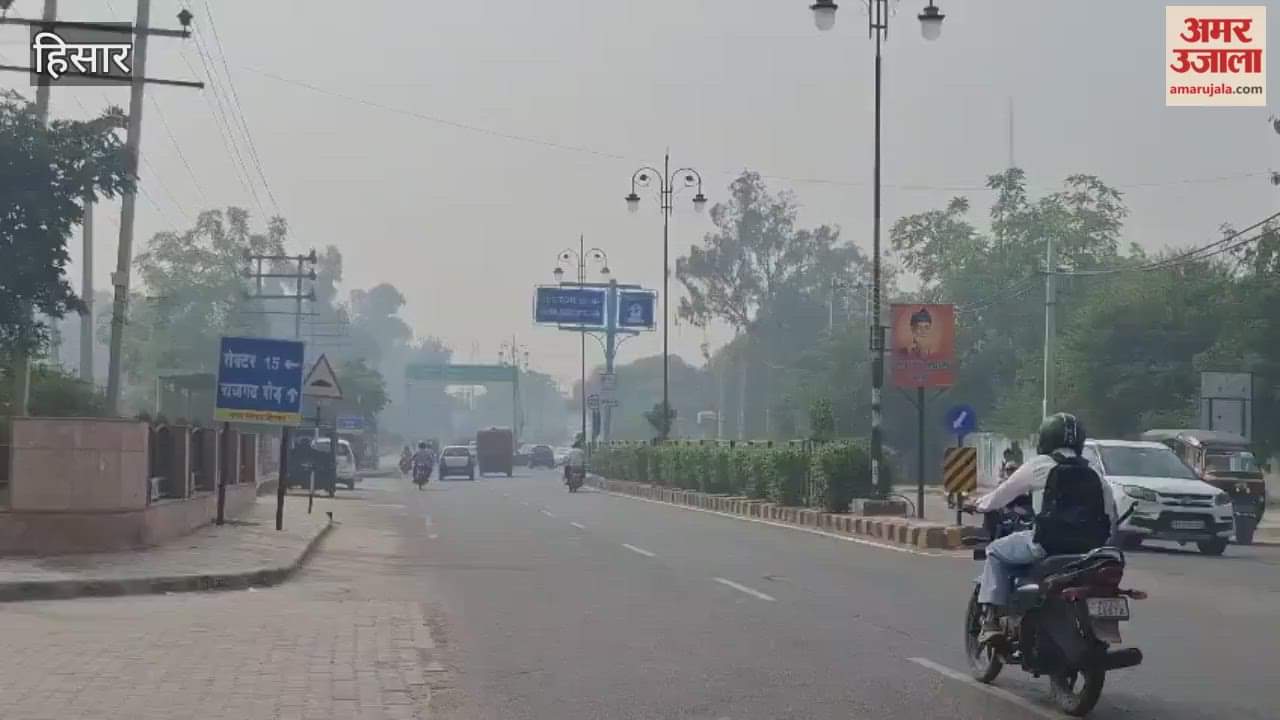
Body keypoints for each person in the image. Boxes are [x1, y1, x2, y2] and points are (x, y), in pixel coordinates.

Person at [970, 412, 1118, 645]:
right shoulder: (1094, 473)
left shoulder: (1039, 465)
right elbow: (1110, 514)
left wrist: (978, 504)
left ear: (1046, 438)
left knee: (995, 551)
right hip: (1090, 552)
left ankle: (989, 622)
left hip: (1047, 546)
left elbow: (1000, 497)